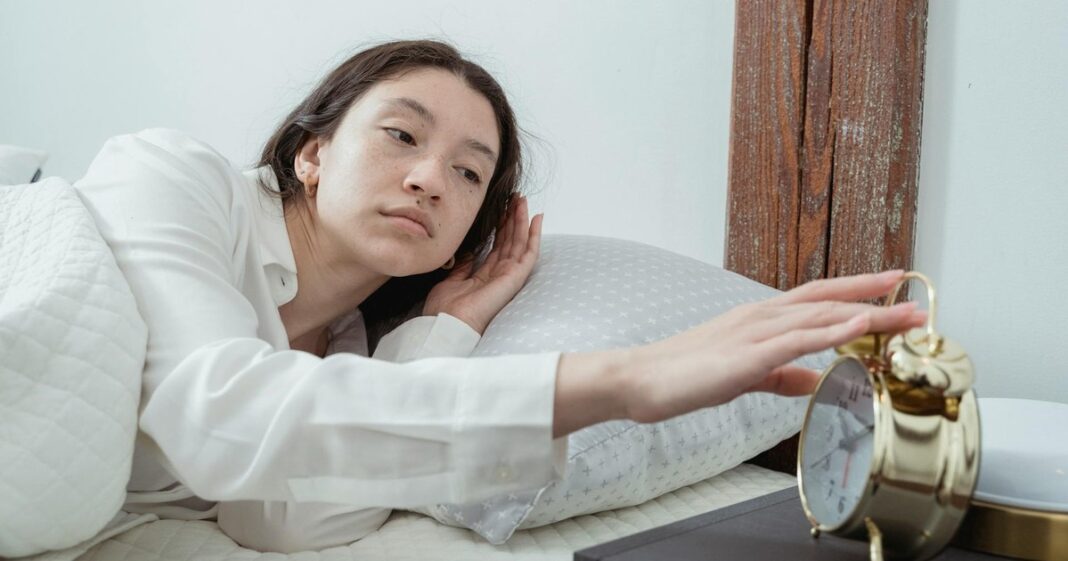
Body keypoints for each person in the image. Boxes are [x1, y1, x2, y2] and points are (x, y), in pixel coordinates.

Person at [73, 39, 926, 553]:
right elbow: (219, 412)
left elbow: (283, 526)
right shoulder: (171, 176)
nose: (428, 178)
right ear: (312, 152)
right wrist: (621, 379)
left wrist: (444, 332)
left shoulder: (350, 350)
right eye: (402, 134)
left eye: (469, 171)